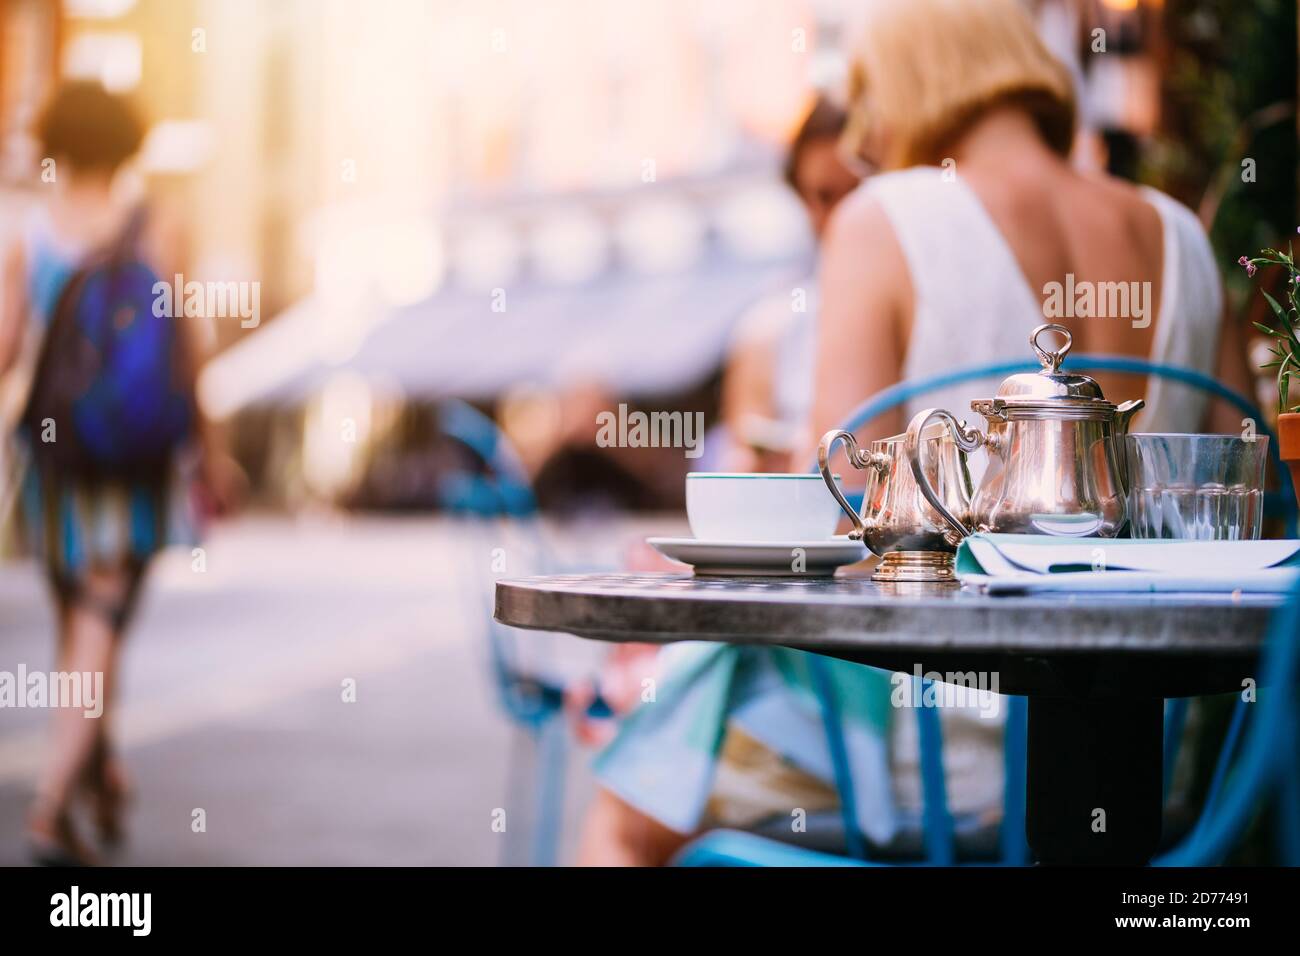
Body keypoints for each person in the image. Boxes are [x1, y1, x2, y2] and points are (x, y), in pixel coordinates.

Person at [576, 0, 1253, 867]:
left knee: (624, 816)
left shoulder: (885, 218)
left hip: (936, 748)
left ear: (903, 85)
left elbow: (839, 515)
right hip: (1157, 761)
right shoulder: (1186, 237)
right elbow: (1248, 503)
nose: (863, 131)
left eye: (864, 97)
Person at [0, 81, 237, 864]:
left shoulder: (29, 236)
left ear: (56, 143)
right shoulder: (157, 226)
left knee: (85, 627)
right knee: (99, 628)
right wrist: (209, 447)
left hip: (57, 460)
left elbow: (4, 352)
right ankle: (53, 801)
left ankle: (93, 773)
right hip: (134, 461)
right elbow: (186, 349)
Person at [716, 96, 861, 473]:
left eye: (859, 191)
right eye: (824, 196)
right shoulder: (767, 331)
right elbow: (744, 463)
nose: (846, 214)